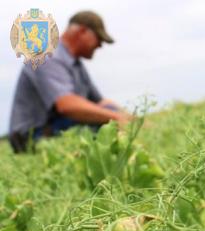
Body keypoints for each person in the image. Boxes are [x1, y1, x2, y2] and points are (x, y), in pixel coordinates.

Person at [8, 10, 133, 153]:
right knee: (104, 124)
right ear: (82, 32)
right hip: (33, 136)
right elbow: (66, 105)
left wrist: (129, 117)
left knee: (108, 114)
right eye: (98, 39)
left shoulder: (76, 65)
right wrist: (116, 117)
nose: (100, 46)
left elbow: (101, 102)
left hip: (58, 126)